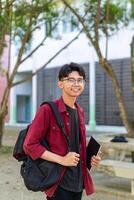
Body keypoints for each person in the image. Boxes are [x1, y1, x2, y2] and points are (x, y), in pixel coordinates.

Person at [23, 62, 101, 200]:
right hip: (59, 183)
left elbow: (77, 145)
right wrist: (62, 159)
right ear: (60, 84)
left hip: (78, 182)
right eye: (71, 80)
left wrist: (91, 158)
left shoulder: (80, 111)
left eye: (80, 80)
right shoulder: (47, 110)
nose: (76, 83)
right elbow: (29, 145)